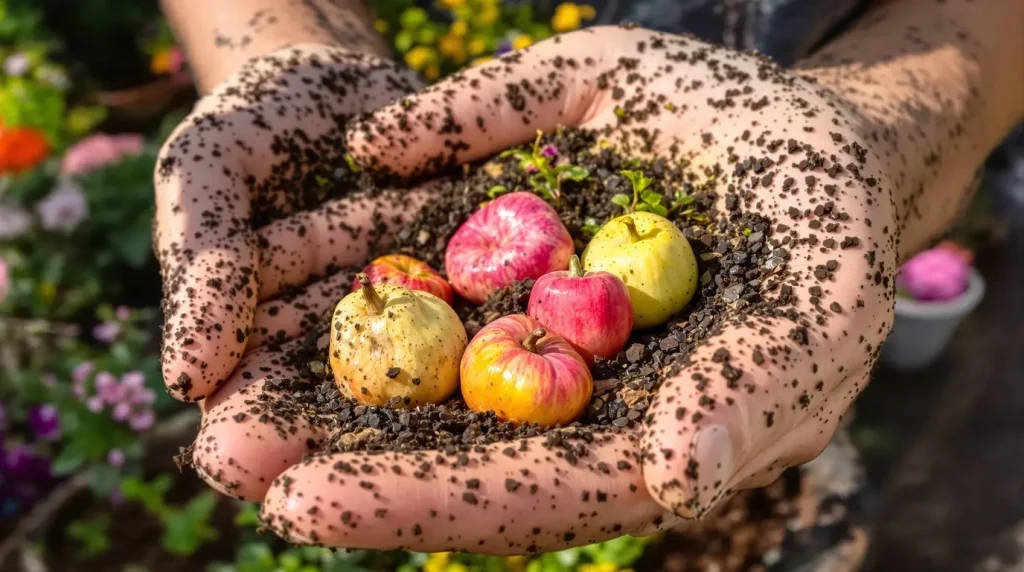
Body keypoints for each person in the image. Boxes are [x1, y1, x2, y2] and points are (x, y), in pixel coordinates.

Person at [154, 0, 1023, 553]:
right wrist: (290, 38)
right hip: (475, 130)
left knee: (774, 424)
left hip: (800, 180)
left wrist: (877, 129)